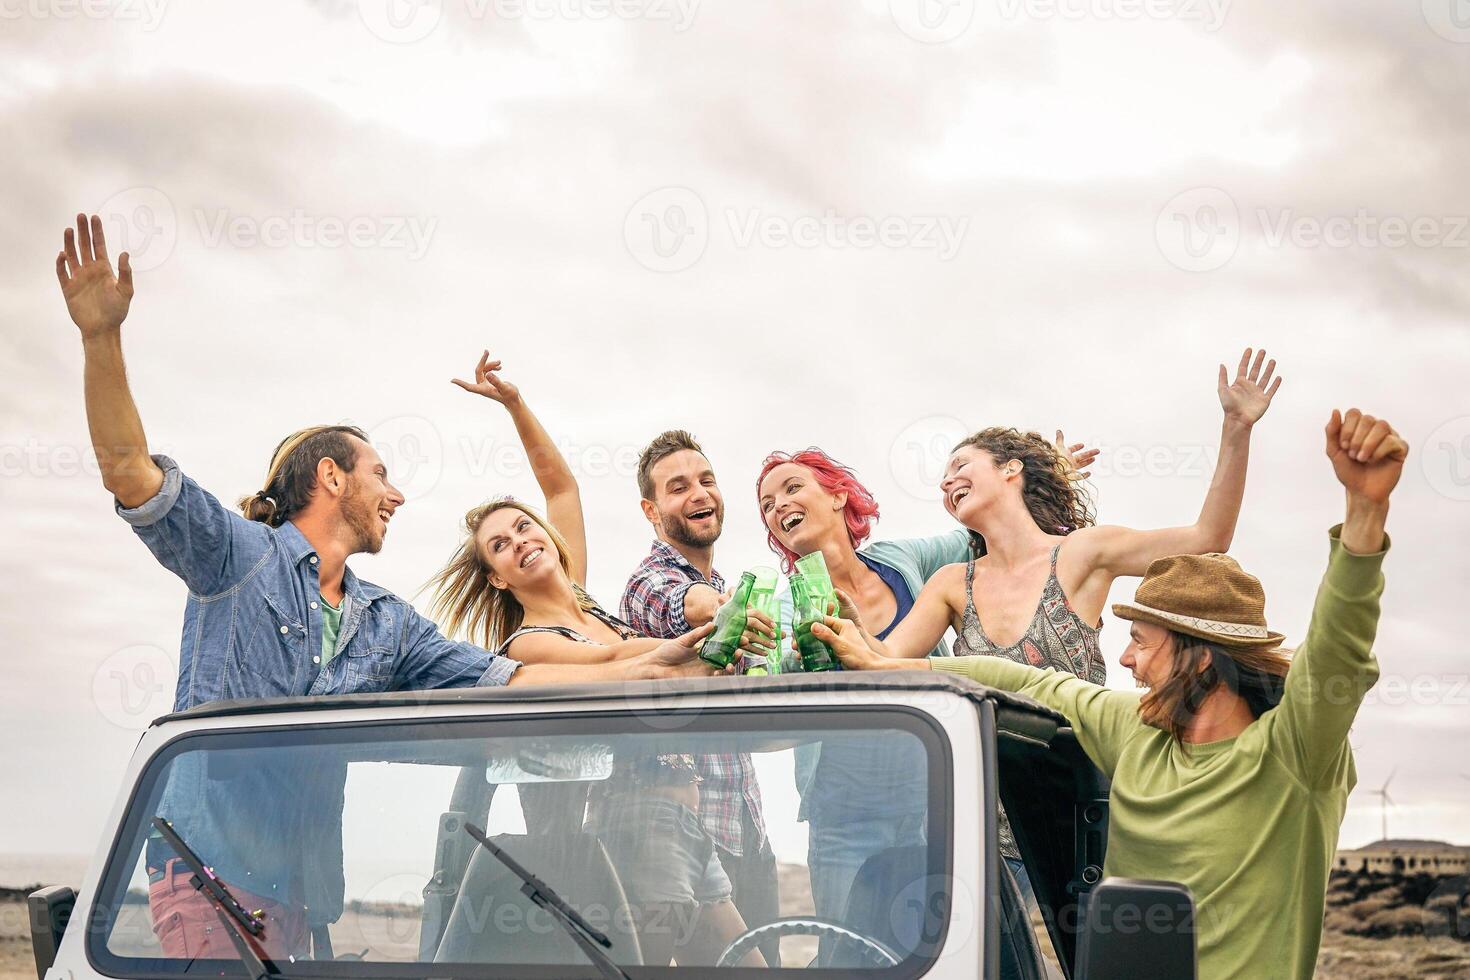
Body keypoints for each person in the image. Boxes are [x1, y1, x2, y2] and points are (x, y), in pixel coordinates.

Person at [53, 214, 706, 963]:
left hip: (303, 890)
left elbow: (511, 677)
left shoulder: (385, 623)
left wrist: (638, 667)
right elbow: (132, 473)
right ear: (332, 477)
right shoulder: (238, 559)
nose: (395, 495)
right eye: (381, 476)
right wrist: (101, 336)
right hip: (207, 870)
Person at [819, 407, 1405, 980]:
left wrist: (1363, 510)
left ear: (1202, 655)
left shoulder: (1293, 752)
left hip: (1063, 815)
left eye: (1142, 643)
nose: (1124, 659)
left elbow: (1335, 645)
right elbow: (1026, 682)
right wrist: (878, 653)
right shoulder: (1136, 732)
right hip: (982, 818)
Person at [827, 348, 1280, 902]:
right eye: (942, 482)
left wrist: (1236, 429)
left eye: (960, 467)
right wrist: (851, 630)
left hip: (1083, 815)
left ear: (1011, 469)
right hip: (981, 825)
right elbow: (887, 664)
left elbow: (1207, 538)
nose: (948, 484)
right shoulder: (951, 583)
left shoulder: (1082, 555)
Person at [426, 359, 762, 968]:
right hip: (635, 815)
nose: (522, 541)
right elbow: (616, 660)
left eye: (524, 528)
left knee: (750, 964)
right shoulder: (529, 643)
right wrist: (715, 644)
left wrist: (515, 405)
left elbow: (561, 489)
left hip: (689, 818)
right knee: (656, 969)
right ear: (497, 580)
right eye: (500, 546)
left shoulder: (581, 599)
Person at [752, 435, 1094, 948]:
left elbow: (992, 530)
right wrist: (791, 664)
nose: (779, 506)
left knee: (938, 947)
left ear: (838, 496)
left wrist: (1042, 474)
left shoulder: (904, 561)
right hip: (845, 815)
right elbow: (773, 695)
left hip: (932, 801)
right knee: (849, 950)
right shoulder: (782, 607)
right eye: (767, 505)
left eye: (791, 488)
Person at [619, 430, 779, 967]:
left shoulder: (733, 585)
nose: (699, 494)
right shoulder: (649, 581)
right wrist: (722, 606)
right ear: (651, 508)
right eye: (678, 486)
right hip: (684, 830)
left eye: (707, 480)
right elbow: (685, 602)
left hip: (746, 823)